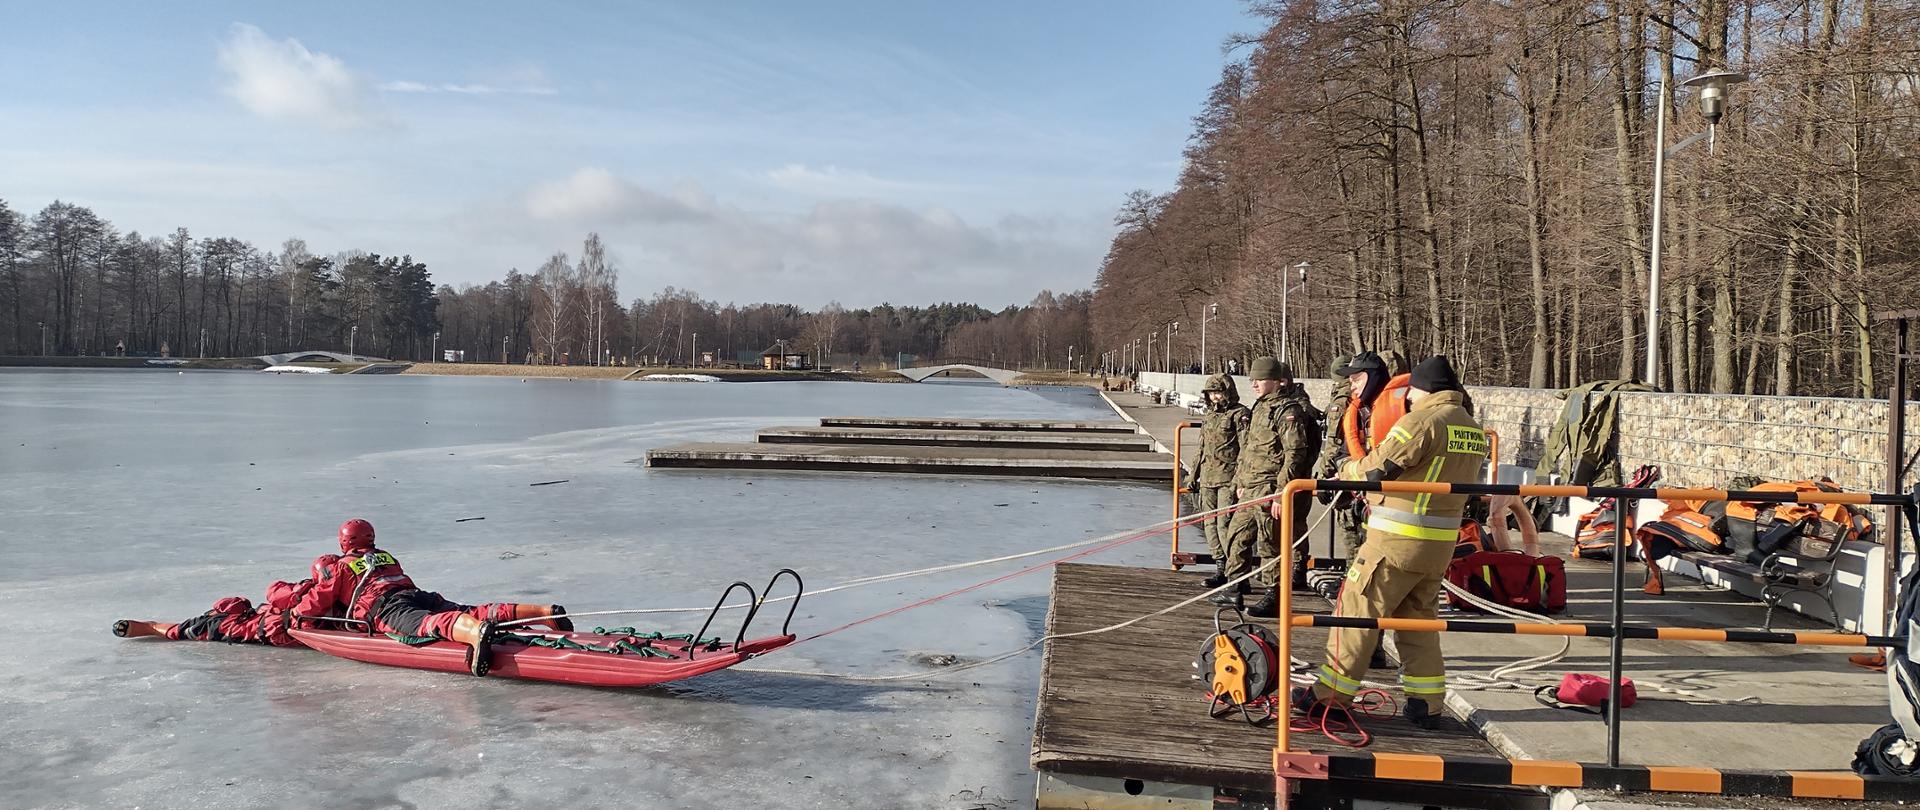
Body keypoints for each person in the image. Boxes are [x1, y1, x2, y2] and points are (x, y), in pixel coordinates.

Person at [1297, 356, 1487, 729]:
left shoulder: (1422, 421)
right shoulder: (1471, 428)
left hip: (1396, 541)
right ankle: (1426, 704)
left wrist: (1343, 469)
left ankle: (1330, 699)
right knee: (1418, 623)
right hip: (1439, 545)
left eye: (1412, 389)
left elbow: (1377, 467)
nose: (1408, 395)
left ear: (1425, 388)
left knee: (1355, 612)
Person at [293, 519, 572, 677]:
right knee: (471, 609)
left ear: (344, 543)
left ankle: (476, 634)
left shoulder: (340, 567)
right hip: (415, 594)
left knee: (430, 624)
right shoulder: (385, 556)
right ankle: (543, 612)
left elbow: (319, 600)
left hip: (389, 607)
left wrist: (294, 615)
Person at [1213, 357, 1321, 618]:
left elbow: (1294, 454)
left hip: (1271, 488)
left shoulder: (1288, 411)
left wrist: (1282, 494)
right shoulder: (1260, 407)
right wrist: (1239, 481)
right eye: (1252, 380)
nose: (1254, 385)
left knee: (1269, 545)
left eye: (1259, 380)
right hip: (1250, 486)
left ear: (1278, 381)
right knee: (1236, 536)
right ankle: (1235, 585)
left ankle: (1274, 594)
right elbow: (1249, 450)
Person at [113, 577, 321, 648]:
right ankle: (148, 627)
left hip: (268, 623)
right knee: (182, 629)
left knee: (183, 629)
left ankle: (149, 627)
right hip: (270, 623)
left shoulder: (221, 622)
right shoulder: (223, 622)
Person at [1192, 374, 1252, 589]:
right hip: (1208, 478)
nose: (1215, 397)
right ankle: (1220, 567)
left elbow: (1246, 450)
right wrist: (1193, 475)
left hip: (1229, 478)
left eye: (1218, 392)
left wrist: (1240, 481)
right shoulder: (1209, 415)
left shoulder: (1240, 414)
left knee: (1226, 525)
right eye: (1210, 393)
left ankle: (1237, 572)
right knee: (1209, 526)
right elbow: (1201, 447)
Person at [1316, 354, 1364, 561]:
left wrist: (1323, 475)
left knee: (1351, 529)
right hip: (1354, 468)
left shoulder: (1342, 401)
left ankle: (1350, 576)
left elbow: (1334, 442)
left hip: (1343, 471)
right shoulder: (1359, 397)